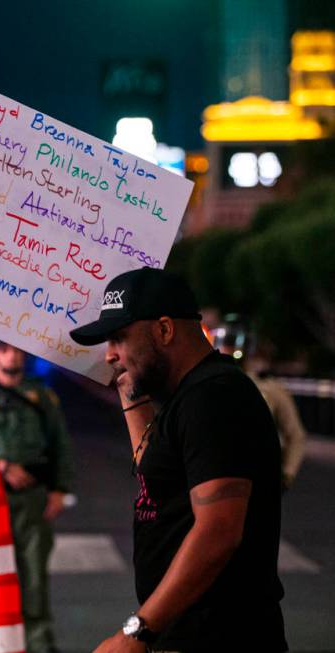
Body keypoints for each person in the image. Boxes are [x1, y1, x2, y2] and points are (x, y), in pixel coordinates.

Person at [69, 268, 287, 653]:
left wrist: (134, 633)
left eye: (119, 337)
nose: (109, 354)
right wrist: (131, 395)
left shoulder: (214, 397)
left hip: (220, 638)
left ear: (165, 330)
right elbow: (154, 475)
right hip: (186, 634)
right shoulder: (188, 396)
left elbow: (218, 533)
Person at [0, 341, 73, 653]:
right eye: (5, 350)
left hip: (31, 496)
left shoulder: (42, 396)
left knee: (33, 575)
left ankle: (39, 643)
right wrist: (1, 466)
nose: (13, 355)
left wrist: (59, 490)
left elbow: (60, 445)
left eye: (18, 350)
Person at [213, 321, 307, 491]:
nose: (225, 349)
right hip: (216, 473)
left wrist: (287, 474)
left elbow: (295, 435)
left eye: (230, 343)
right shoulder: (208, 383)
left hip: (257, 474)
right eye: (224, 343)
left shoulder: (269, 388)